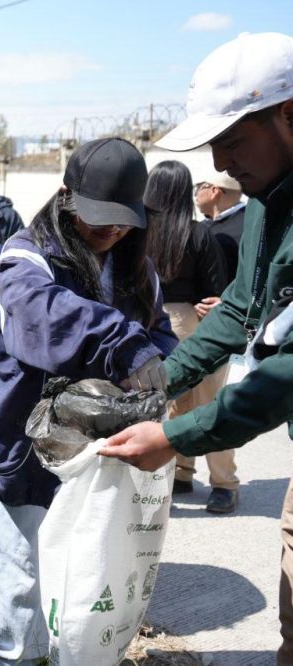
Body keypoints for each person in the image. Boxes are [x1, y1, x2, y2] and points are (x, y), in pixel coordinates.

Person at [97, 32, 293, 662]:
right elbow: (240, 306)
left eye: (232, 139)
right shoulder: (268, 198)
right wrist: (158, 382)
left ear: (288, 114)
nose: (220, 161)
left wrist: (179, 438)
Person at [0, 137, 176, 664]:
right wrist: (123, 344)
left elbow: (162, 336)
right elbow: (43, 315)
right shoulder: (24, 258)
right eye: (97, 219)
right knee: (23, 566)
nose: (111, 231)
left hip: (99, 449)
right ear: (66, 198)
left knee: (85, 568)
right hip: (27, 438)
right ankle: (13, 655)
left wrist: (164, 370)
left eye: (121, 221)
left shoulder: (138, 269)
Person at [144, 160, 239, 513]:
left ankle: (180, 474)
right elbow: (215, 289)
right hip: (190, 322)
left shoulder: (136, 232)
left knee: (162, 407)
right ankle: (224, 484)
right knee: (208, 404)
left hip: (147, 325)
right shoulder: (199, 234)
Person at [195, 170, 246, 283]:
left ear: (214, 191)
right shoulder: (202, 226)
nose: (196, 194)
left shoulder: (250, 225)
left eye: (199, 187)